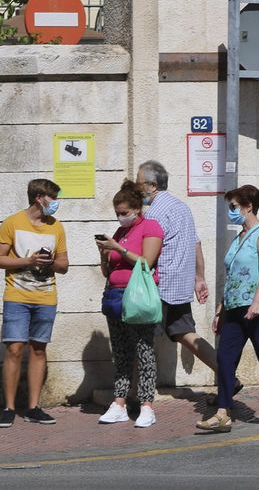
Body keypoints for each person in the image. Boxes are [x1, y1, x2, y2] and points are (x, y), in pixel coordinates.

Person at [197, 185, 259, 434]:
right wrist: (221, 307)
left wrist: (256, 303)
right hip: (234, 306)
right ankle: (222, 413)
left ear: (248, 206)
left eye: (234, 207)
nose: (231, 211)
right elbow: (231, 275)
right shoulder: (239, 237)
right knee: (225, 358)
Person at [0, 179, 69, 428]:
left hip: (46, 297)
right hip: (17, 296)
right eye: (52, 198)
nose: (56, 203)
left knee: (38, 349)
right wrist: (28, 260)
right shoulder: (12, 223)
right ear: (39, 198)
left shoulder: (56, 228)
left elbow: (64, 266)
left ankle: (34, 407)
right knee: (14, 348)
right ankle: (9, 407)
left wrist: (50, 262)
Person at [137, 160, 220, 378]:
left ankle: (139, 396)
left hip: (161, 285)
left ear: (153, 185)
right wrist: (199, 278)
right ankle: (227, 375)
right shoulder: (182, 207)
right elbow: (196, 243)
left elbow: (150, 253)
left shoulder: (154, 213)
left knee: (144, 340)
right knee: (186, 333)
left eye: (139, 184)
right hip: (181, 285)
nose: (137, 189)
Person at [96, 180, 164, 428]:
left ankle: (147, 405)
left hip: (138, 298)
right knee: (121, 352)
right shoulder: (119, 233)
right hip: (116, 297)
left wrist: (119, 250)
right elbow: (108, 271)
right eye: (117, 214)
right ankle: (119, 402)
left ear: (137, 208)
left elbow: (146, 262)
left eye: (124, 213)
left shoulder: (151, 227)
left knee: (144, 351)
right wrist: (104, 254)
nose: (121, 217)